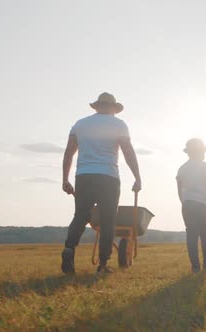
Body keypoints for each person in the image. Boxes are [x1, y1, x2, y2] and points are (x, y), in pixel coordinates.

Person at [61, 92, 142, 276]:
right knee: (108, 221)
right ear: (113, 108)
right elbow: (128, 151)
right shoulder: (118, 124)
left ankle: (69, 249)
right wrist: (137, 176)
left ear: (97, 107)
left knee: (81, 216)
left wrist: (65, 179)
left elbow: (68, 153)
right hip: (108, 177)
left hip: (84, 176)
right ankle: (103, 264)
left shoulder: (80, 124)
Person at [176, 138, 206, 273]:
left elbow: (179, 189)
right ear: (199, 152)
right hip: (203, 203)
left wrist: (185, 202)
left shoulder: (182, 168)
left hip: (188, 203)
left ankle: (195, 266)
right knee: (205, 233)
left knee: (191, 234)